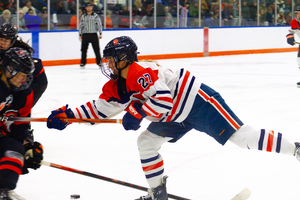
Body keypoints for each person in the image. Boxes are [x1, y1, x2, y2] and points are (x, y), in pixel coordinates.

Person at [47, 36, 300, 200]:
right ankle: (157, 193)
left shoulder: (141, 72)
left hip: (197, 103)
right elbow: (101, 108)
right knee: (146, 142)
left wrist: (136, 112)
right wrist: (69, 116)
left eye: (111, 60)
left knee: (242, 138)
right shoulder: (119, 83)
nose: (108, 65)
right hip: (174, 115)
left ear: (124, 59)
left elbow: (164, 100)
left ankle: (296, 149)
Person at [0, 47, 44, 200]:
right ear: (9, 69)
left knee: (15, 149)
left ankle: (3, 190)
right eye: (20, 74)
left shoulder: (24, 93)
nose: (23, 79)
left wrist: (28, 144)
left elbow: (21, 125)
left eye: (26, 75)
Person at [0, 22, 48, 108]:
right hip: (18, 81)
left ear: (12, 42)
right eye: (0, 39)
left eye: (6, 41)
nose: (1, 43)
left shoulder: (17, 54)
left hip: (37, 82)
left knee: (17, 109)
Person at [79, 2, 103, 69]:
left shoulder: (95, 15)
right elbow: (81, 26)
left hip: (93, 34)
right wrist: (80, 34)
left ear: (92, 8)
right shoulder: (83, 16)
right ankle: (83, 62)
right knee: (83, 49)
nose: (89, 8)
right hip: (85, 34)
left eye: (90, 7)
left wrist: (100, 33)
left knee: (96, 49)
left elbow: (99, 24)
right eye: (87, 7)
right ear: (86, 8)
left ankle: (99, 62)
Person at [286, 6, 300, 88]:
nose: (298, 15)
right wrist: (290, 37)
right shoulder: (294, 22)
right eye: (297, 13)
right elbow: (292, 32)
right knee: (299, 60)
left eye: (299, 13)